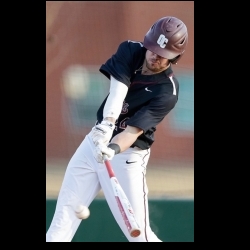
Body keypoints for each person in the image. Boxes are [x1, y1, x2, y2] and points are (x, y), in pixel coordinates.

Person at [46, 16, 188, 242]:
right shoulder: (130, 50)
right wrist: (106, 126)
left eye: (163, 55)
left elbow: (132, 132)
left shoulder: (166, 92)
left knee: (139, 237)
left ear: (175, 57)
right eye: (152, 49)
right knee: (58, 229)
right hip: (95, 141)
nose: (154, 56)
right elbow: (118, 90)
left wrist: (112, 148)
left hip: (127, 156)